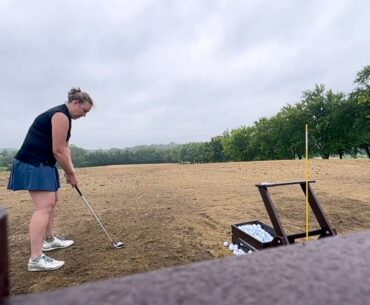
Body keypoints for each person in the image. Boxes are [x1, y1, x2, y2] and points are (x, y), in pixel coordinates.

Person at [7, 87, 94, 272]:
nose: (84, 115)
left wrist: (72, 170)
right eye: (84, 110)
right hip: (34, 163)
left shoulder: (65, 118)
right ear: (75, 103)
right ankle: (36, 259)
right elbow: (58, 150)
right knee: (43, 207)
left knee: (52, 201)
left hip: (45, 163)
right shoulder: (60, 115)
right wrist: (70, 174)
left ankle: (49, 240)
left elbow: (65, 148)